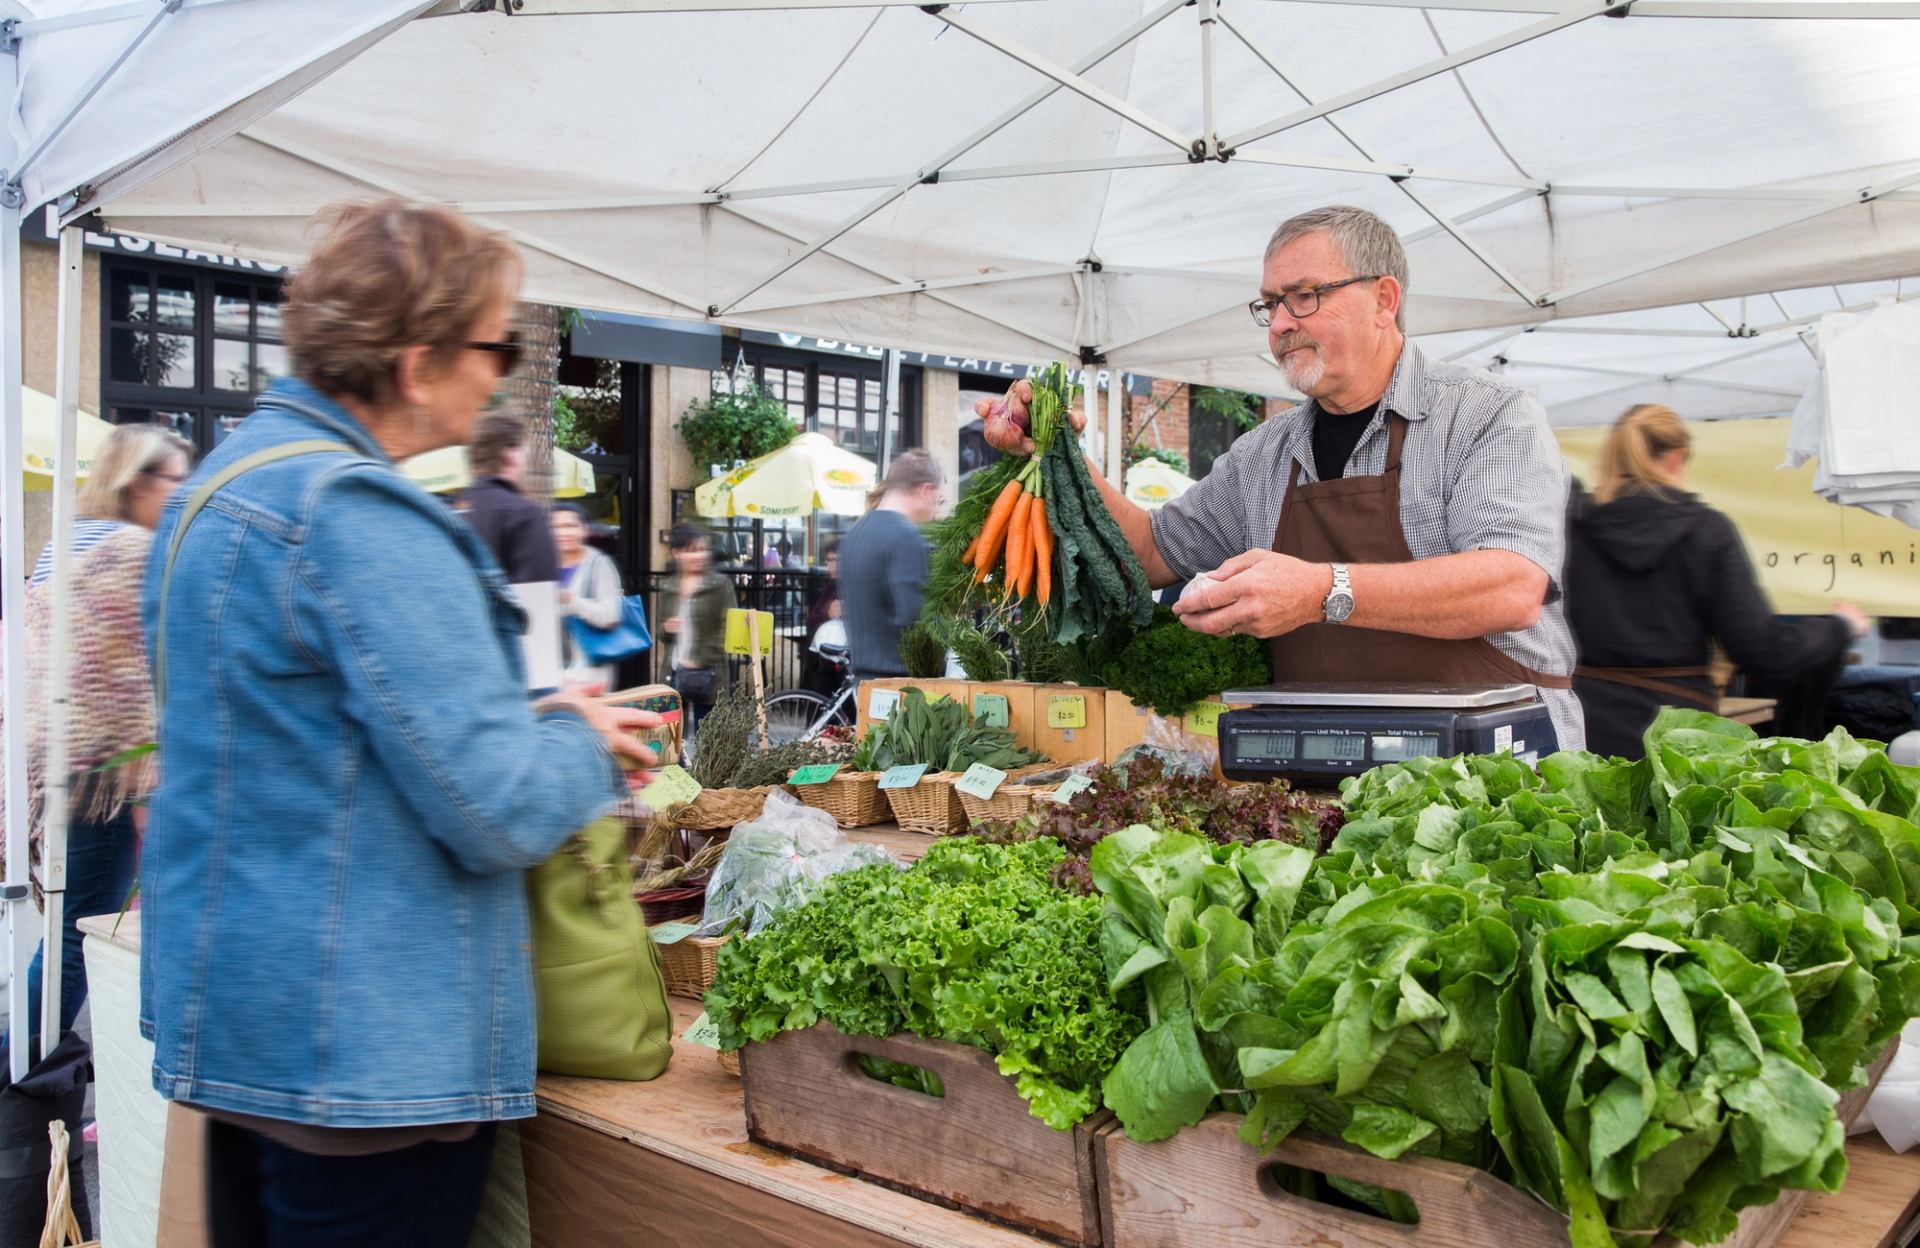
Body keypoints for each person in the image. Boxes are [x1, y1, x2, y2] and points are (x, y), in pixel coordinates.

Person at [140, 199, 658, 1246]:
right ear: (419, 363)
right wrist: (574, 740)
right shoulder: (363, 515)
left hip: (250, 1034)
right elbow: (501, 810)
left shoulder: (214, 492)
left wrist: (527, 718)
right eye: (496, 345)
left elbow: (307, 748)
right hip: (368, 1059)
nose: (502, 369)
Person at [984, 205, 1583, 750]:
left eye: (1304, 296)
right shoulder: (1264, 455)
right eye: (1270, 305)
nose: (1279, 325)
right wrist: (1059, 448)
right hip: (1328, 770)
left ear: (1384, 299)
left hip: (1498, 769)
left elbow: (1510, 586)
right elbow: (1144, 554)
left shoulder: (1488, 414)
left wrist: (1321, 592)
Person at [8, 424, 189, 1053]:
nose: (181, 491)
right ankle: (24, 1058)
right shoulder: (131, 550)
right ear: (135, 482)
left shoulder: (63, 543)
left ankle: (27, 1051)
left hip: (62, 754)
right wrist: (146, 786)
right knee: (87, 927)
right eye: (174, 479)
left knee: (75, 920)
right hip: (111, 770)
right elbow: (133, 680)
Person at [1566, 404, 1867, 758]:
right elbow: (1764, 649)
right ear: (1678, 458)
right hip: (1679, 738)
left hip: (1582, 729)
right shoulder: (1706, 530)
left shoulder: (1571, 529)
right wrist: (1840, 627)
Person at [837, 450, 942, 683]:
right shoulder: (905, 536)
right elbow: (915, 617)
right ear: (925, 490)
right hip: (903, 685)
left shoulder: (855, 533)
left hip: (863, 682)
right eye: (938, 500)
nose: (936, 510)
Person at [455, 409, 556, 584]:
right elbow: (539, 603)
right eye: (526, 455)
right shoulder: (524, 514)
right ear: (512, 455)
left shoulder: (451, 511)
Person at [659, 524, 736, 736]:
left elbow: (727, 629)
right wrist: (666, 627)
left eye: (702, 549)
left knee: (708, 740)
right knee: (673, 741)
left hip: (709, 674)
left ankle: (704, 771)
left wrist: (700, 659)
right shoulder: (668, 586)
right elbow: (660, 633)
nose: (698, 555)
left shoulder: (720, 584)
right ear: (676, 553)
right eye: (691, 550)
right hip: (673, 671)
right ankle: (679, 771)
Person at [554, 502, 624, 694]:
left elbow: (611, 616)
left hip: (589, 673)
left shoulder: (599, 564)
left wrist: (572, 601)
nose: (563, 532)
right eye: (557, 527)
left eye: (570, 526)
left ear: (584, 529)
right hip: (553, 672)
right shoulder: (547, 565)